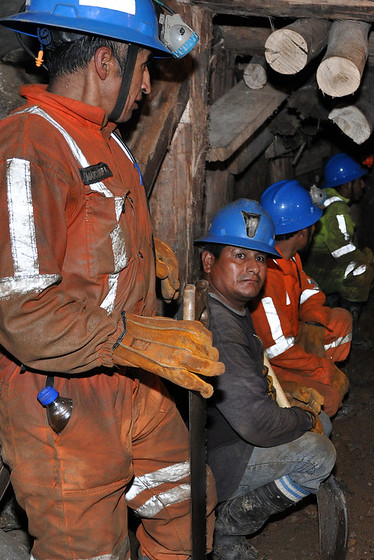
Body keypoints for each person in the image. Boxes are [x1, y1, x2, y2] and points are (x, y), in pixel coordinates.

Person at [0, 2, 224, 559]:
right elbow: (23, 313)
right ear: (105, 62)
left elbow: (89, 233)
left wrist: (145, 252)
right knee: (92, 549)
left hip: (134, 385)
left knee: (188, 506)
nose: (147, 85)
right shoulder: (30, 147)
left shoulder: (105, 139)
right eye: (143, 66)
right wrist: (135, 338)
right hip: (63, 401)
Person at [197, 199, 336, 560]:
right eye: (239, 255)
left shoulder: (230, 307)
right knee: (319, 454)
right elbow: (257, 424)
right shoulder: (222, 330)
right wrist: (301, 418)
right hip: (214, 459)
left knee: (322, 423)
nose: (253, 267)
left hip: (228, 436)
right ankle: (227, 527)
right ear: (209, 261)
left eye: (259, 258)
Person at [253, 179, 352, 416]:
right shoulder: (268, 277)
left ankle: (322, 374)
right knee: (329, 398)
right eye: (312, 225)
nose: (314, 229)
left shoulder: (290, 259)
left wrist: (314, 320)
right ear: (301, 233)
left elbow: (309, 290)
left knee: (340, 320)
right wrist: (320, 368)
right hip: (270, 362)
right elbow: (278, 352)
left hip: (292, 338)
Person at [304, 153, 374, 347]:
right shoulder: (337, 209)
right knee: (363, 271)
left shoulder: (326, 198)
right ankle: (349, 329)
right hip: (317, 270)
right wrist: (371, 258)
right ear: (347, 184)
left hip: (312, 265)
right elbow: (342, 251)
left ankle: (331, 306)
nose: (363, 185)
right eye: (359, 181)